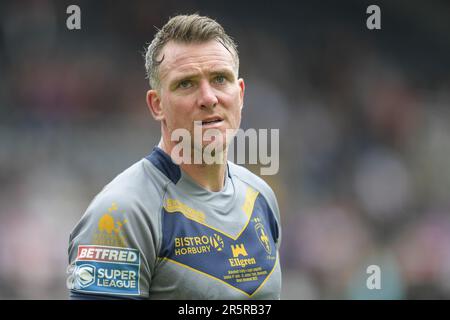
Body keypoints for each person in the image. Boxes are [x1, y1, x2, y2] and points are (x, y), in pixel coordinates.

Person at [67, 14, 282, 299]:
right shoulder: (122, 214)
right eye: (186, 84)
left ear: (240, 94)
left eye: (220, 79)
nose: (208, 98)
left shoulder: (261, 197)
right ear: (157, 105)